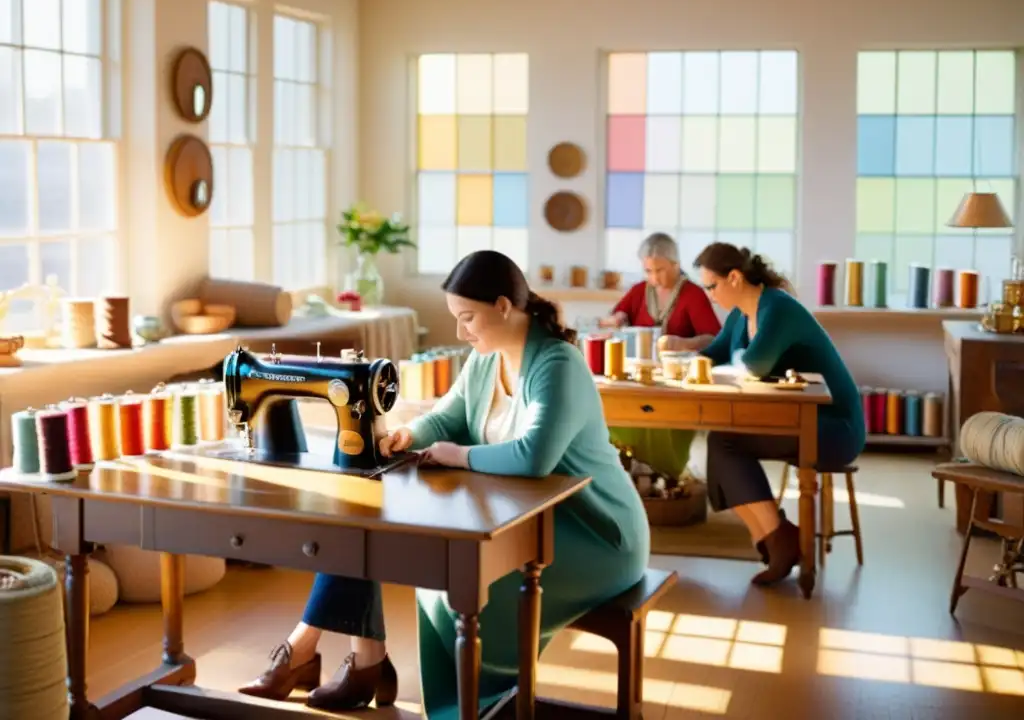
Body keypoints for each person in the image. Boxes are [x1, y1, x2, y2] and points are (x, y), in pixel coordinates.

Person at [240, 250, 651, 719]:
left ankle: (475, 703)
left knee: (467, 582)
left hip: (596, 532)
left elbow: (535, 457)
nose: (461, 331)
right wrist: (409, 435)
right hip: (527, 517)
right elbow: (449, 415)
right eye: (457, 319)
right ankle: (420, 689)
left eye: (468, 317)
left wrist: (459, 456)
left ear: (503, 306)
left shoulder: (557, 365)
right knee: (403, 550)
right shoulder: (486, 360)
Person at [694, 242, 865, 586]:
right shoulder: (741, 315)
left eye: (711, 286)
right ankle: (775, 541)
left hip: (833, 426)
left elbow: (756, 363)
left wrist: (731, 360)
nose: (709, 295)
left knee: (726, 442)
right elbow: (714, 354)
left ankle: (780, 541)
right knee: (722, 440)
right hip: (799, 420)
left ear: (734, 277)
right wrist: (682, 353)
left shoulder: (778, 307)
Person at [599, 232, 722, 479]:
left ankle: (665, 475)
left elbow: (714, 338)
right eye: (648, 271)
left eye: (660, 270)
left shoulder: (693, 295)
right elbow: (617, 315)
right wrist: (618, 319)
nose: (654, 278)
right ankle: (630, 472)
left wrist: (683, 343)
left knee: (663, 422)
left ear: (676, 264)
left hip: (675, 382)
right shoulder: (638, 291)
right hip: (638, 378)